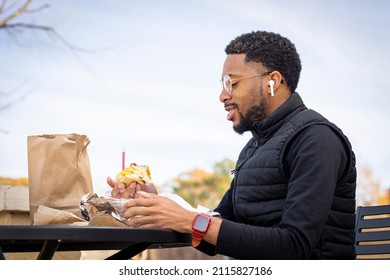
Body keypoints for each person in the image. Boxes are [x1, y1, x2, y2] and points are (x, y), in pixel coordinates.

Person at [107, 31, 357, 260]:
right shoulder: (255, 147)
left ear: (273, 81)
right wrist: (158, 204)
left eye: (233, 83)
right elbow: (219, 223)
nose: (223, 96)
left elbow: (294, 246)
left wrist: (188, 220)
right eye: (223, 85)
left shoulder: (315, 139)